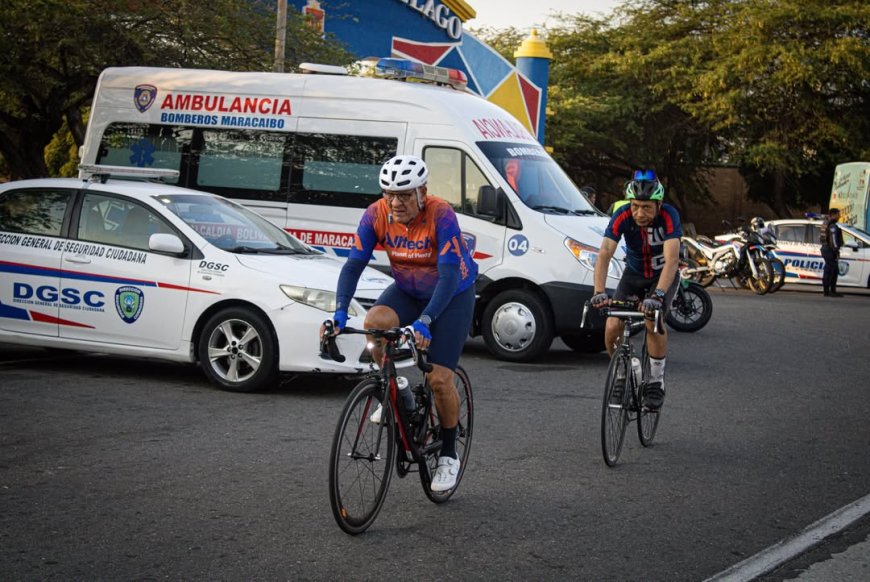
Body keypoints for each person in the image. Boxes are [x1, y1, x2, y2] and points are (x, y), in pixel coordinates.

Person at [322, 154, 478, 492]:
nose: (395, 202)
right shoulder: (376, 214)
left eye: (405, 194)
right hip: (408, 289)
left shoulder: (440, 213)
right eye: (389, 193)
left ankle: (449, 454)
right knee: (375, 322)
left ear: (422, 192)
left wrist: (425, 321)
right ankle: (396, 388)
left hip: (451, 294)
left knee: (438, 379)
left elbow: (449, 276)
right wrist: (337, 314)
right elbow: (352, 267)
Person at [590, 170, 682, 411]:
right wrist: (599, 291)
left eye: (647, 208)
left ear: (658, 205)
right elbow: (604, 254)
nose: (640, 213)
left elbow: (672, 260)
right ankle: (623, 374)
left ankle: (655, 381)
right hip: (634, 275)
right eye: (636, 206)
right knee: (612, 326)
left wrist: (658, 296)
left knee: (654, 320)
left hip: (662, 276)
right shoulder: (622, 215)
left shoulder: (669, 215)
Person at [820, 207, 844, 297]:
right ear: (833, 215)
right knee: (832, 270)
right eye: (838, 214)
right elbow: (833, 240)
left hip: (826, 249)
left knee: (831, 269)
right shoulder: (832, 226)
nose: (839, 216)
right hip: (829, 249)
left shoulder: (827, 223)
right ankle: (829, 291)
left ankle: (830, 290)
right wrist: (836, 250)